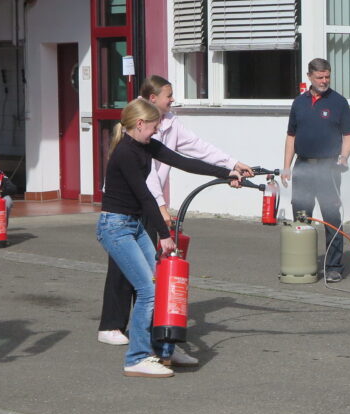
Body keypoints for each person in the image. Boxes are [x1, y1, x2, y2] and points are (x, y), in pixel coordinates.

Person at [97, 75, 253, 350]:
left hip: (136, 216)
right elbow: (146, 191)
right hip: (118, 222)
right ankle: (134, 346)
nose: (158, 132)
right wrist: (164, 229)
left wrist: (228, 172)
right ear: (142, 120)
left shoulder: (149, 140)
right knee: (143, 285)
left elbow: (185, 160)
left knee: (153, 284)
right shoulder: (127, 152)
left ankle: (162, 345)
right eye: (154, 127)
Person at [281, 58, 350, 283]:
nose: (324, 81)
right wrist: (287, 167)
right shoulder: (299, 103)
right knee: (301, 217)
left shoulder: (339, 102)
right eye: (320, 77)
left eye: (327, 77)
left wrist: (343, 157)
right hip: (303, 166)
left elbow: (348, 137)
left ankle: (333, 266)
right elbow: (291, 137)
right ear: (309, 77)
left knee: (331, 216)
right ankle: (304, 264)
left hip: (328, 168)